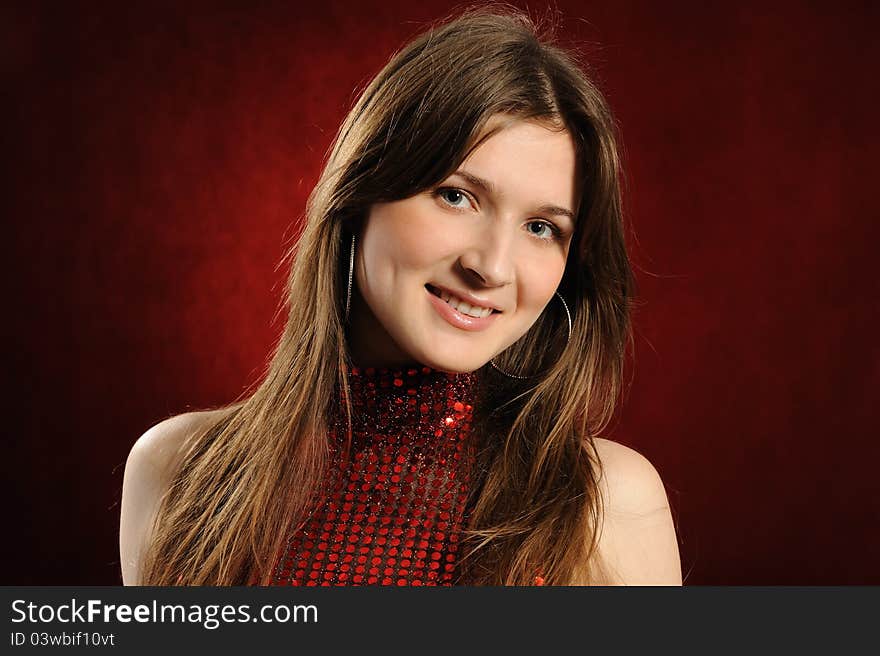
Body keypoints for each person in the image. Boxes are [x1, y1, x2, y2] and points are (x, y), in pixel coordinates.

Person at [119, 6, 682, 586]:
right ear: (362, 192)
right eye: (457, 197)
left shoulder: (608, 503)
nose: (490, 267)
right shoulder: (179, 470)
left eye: (542, 227)